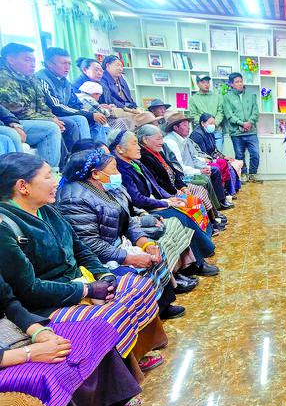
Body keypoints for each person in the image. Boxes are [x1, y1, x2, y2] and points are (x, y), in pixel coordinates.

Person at [0, 152, 169, 372]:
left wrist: (103, 275)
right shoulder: (6, 227)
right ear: (23, 186)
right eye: (48, 176)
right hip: (46, 301)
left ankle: (139, 351)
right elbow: (29, 289)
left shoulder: (47, 210)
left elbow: (79, 247)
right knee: (109, 315)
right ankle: (127, 370)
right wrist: (86, 290)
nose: (56, 182)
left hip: (77, 282)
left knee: (137, 286)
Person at [0, 274, 143, 406]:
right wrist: (30, 353)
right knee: (45, 373)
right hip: (5, 355)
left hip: (8, 332)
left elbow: (9, 303)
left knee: (92, 331)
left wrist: (40, 333)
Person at [56, 149, 191, 317]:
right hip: (98, 258)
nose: (118, 173)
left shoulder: (110, 188)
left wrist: (145, 243)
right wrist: (128, 258)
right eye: (114, 169)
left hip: (117, 242)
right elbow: (89, 244)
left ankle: (163, 305)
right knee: (136, 271)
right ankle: (151, 314)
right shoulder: (74, 200)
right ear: (96, 174)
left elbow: (127, 220)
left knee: (154, 251)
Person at [110, 129, 219, 276]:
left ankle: (202, 251)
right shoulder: (121, 169)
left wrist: (169, 198)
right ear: (120, 149)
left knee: (188, 204)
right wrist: (165, 203)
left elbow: (156, 185)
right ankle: (195, 264)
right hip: (143, 209)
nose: (138, 147)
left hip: (155, 201)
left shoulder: (135, 162)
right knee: (180, 216)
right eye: (134, 143)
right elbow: (137, 199)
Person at [138, 123, 227, 230]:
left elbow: (174, 170)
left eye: (161, 138)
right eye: (158, 139)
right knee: (196, 196)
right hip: (168, 191)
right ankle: (206, 226)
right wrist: (176, 190)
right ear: (145, 140)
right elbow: (158, 182)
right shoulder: (144, 157)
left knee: (200, 189)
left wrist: (183, 186)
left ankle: (211, 220)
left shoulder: (158, 152)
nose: (161, 142)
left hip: (176, 183)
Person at [0, 43, 63, 167]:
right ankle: (47, 172)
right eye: (27, 60)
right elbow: (15, 108)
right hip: (18, 119)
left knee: (69, 123)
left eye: (34, 60)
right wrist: (49, 119)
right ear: (11, 60)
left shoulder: (31, 77)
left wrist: (51, 117)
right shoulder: (3, 77)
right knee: (51, 128)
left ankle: (63, 168)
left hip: (23, 120)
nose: (33, 64)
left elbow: (41, 103)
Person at [162, 111, 233, 209]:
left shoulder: (184, 139)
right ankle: (215, 207)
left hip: (190, 170)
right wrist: (199, 171)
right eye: (185, 125)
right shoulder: (171, 142)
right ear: (175, 127)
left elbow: (193, 158)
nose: (188, 128)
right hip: (182, 176)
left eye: (188, 125)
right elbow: (179, 168)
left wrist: (204, 167)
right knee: (206, 178)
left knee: (213, 169)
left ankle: (220, 200)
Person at [36, 47, 101, 148]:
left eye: (69, 64)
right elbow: (57, 106)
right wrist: (87, 114)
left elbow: (74, 102)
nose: (67, 67)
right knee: (80, 119)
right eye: (63, 63)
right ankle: (85, 152)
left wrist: (85, 111)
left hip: (64, 113)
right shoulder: (42, 79)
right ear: (49, 64)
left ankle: (97, 151)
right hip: (51, 115)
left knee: (96, 120)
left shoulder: (65, 81)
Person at [190, 113, 243, 196]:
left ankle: (227, 190)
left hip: (210, 158)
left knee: (224, 162)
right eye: (211, 123)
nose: (213, 126)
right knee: (219, 165)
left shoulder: (209, 132)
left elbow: (214, 149)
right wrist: (216, 159)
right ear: (203, 123)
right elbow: (202, 153)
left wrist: (224, 157)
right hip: (202, 160)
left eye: (214, 123)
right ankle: (222, 193)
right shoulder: (197, 134)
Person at [222, 72, 259, 181]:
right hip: (236, 133)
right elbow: (229, 115)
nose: (239, 84)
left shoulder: (251, 96)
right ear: (231, 84)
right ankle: (243, 174)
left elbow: (255, 112)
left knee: (255, 154)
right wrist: (242, 123)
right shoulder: (227, 97)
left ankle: (252, 174)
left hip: (251, 131)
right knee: (239, 155)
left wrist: (249, 122)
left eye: (241, 81)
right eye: (237, 82)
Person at [188, 75, 224, 151]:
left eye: (208, 82)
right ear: (198, 84)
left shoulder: (217, 96)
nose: (206, 84)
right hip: (202, 132)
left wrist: (214, 123)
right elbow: (193, 114)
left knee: (218, 155)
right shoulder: (193, 99)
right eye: (203, 82)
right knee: (205, 155)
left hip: (216, 131)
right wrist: (205, 124)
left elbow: (220, 112)